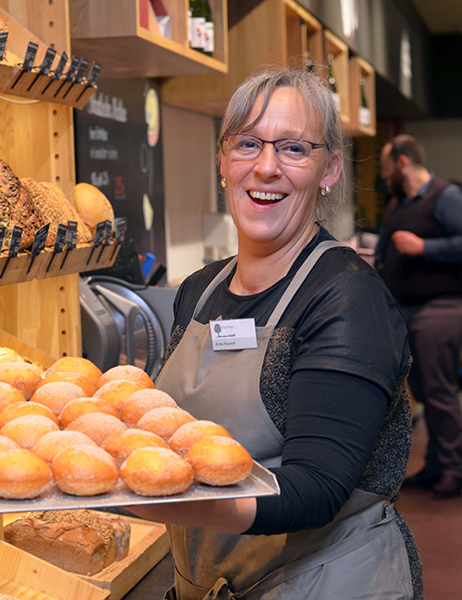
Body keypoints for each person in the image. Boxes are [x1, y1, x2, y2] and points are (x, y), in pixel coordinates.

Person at [128, 68, 421, 599]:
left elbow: (316, 489)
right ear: (223, 159)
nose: (266, 168)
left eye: (293, 149)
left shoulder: (348, 298)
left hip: (327, 584)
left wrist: (146, 500)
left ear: (329, 168)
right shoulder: (198, 290)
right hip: (208, 580)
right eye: (248, 144)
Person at [375, 134, 462, 499]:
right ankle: (437, 464)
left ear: (403, 162)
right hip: (407, 311)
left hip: (441, 308)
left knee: (439, 392)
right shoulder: (398, 204)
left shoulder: (445, 197)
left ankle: (454, 470)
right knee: (424, 391)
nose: (383, 173)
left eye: (385, 165)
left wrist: (425, 246)